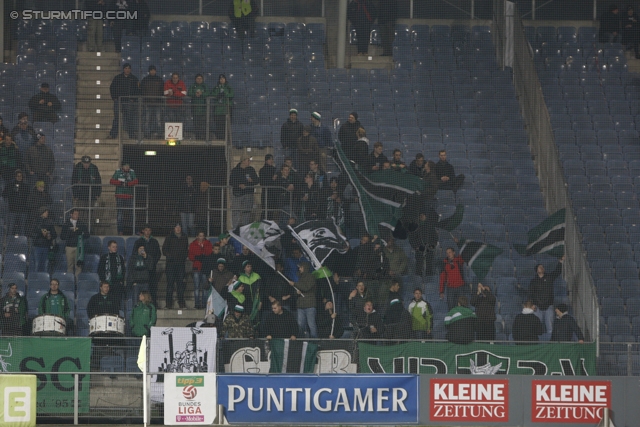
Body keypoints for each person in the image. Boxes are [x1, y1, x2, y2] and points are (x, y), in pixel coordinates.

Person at [529, 256, 564, 336]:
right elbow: (530, 293)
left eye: (542, 267)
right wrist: (532, 304)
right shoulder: (533, 281)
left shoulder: (549, 277)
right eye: (540, 267)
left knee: (550, 329)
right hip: (537, 308)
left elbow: (557, 272)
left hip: (548, 307)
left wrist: (560, 262)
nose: (542, 268)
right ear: (536, 270)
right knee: (536, 328)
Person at [132, 224, 162, 306]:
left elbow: (158, 254)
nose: (147, 232)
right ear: (143, 231)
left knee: (152, 288)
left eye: (149, 230)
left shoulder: (154, 241)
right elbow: (134, 254)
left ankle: (153, 304)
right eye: (146, 230)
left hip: (151, 269)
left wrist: (151, 262)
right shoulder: (138, 242)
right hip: (141, 271)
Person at [108, 63, 140, 139]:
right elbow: (112, 87)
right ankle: (113, 134)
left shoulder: (134, 78)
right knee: (117, 118)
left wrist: (133, 99)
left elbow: (138, 90)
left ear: (130, 69)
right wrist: (114, 98)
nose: (127, 70)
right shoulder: (117, 78)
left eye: (129, 68)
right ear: (123, 69)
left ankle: (131, 135)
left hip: (128, 102)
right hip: (118, 101)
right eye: (126, 68)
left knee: (129, 118)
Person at [287, 261, 317, 338]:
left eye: (300, 267)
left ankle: (315, 341)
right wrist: (296, 293)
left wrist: (295, 284)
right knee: (300, 325)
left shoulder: (311, 277)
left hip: (309, 305)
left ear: (305, 267)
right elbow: (298, 289)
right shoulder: (300, 278)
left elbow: (306, 287)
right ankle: (302, 340)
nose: (299, 269)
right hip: (300, 306)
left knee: (311, 325)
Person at [163, 223, 189, 309]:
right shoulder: (169, 237)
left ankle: (181, 302)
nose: (178, 229)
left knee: (180, 285)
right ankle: (168, 303)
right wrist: (170, 256)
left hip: (180, 265)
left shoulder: (184, 237)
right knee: (170, 285)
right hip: (171, 265)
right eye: (176, 227)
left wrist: (183, 257)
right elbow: (164, 249)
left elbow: (186, 250)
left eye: (179, 227)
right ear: (174, 228)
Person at [229, 155, 258, 228]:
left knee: (247, 212)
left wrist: (252, 180)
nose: (249, 162)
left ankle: (245, 228)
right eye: (248, 160)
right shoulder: (235, 170)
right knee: (236, 211)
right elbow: (231, 182)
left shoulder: (251, 169)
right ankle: (235, 228)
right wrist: (239, 185)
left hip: (248, 193)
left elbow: (257, 180)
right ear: (243, 161)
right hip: (237, 194)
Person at [110, 162, 139, 235]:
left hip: (129, 196)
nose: (127, 167)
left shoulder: (132, 172)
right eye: (125, 166)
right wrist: (120, 183)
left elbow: (136, 181)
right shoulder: (118, 171)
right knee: (120, 214)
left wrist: (128, 184)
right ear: (122, 166)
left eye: (128, 166)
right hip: (120, 196)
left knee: (132, 213)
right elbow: (111, 181)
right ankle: (120, 231)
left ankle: (135, 231)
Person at [60, 208, 89, 276]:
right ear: (71, 214)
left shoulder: (81, 224)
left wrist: (80, 233)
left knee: (78, 266)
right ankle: (70, 282)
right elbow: (62, 237)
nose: (77, 215)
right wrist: (70, 233)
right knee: (70, 266)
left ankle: (77, 282)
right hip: (69, 247)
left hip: (79, 248)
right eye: (75, 214)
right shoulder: (66, 224)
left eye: (78, 214)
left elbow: (87, 235)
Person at [188, 231, 214, 310]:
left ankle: (204, 304)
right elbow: (190, 255)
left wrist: (203, 255)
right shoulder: (193, 244)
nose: (201, 237)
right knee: (196, 287)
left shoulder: (208, 244)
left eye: (202, 236)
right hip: (196, 268)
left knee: (205, 287)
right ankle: (197, 304)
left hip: (205, 268)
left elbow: (209, 253)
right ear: (197, 236)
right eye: (200, 236)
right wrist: (197, 257)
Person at [139, 65, 164, 138]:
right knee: (147, 120)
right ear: (149, 71)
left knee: (158, 120)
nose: (152, 71)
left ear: (155, 71)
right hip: (148, 103)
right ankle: (147, 134)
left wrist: (160, 100)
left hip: (157, 103)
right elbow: (142, 91)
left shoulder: (159, 80)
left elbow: (162, 91)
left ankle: (159, 134)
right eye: (151, 70)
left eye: (154, 70)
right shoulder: (145, 80)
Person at [3, 169, 29, 237]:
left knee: (22, 229)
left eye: (21, 176)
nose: (19, 177)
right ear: (15, 176)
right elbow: (4, 194)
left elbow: (28, 198)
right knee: (10, 228)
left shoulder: (26, 186)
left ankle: (22, 245)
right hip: (12, 210)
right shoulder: (10, 185)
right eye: (18, 176)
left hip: (23, 211)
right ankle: (9, 244)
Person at [31, 206, 56, 273]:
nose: (47, 213)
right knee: (37, 264)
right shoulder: (36, 221)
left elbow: (54, 234)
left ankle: (45, 280)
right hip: (37, 246)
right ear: (42, 212)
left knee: (45, 265)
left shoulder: (50, 222)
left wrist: (49, 235)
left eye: (47, 212)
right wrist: (41, 233)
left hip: (46, 246)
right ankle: (36, 280)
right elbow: (32, 233)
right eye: (45, 212)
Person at [211, 74, 234, 140]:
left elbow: (232, 94)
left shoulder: (228, 87)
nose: (222, 80)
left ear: (225, 79)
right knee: (218, 125)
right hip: (218, 110)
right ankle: (219, 138)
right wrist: (218, 95)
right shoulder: (216, 87)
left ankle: (225, 139)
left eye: (223, 78)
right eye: (220, 79)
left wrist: (225, 94)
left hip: (226, 110)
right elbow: (212, 94)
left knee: (225, 125)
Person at [188, 74, 209, 140]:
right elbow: (189, 93)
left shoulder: (205, 86)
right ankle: (197, 137)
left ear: (202, 79)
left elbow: (208, 93)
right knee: (196, 125)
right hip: (195, 109)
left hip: (203, 109)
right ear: (195, 79)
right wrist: (195, 94)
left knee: (202, 125)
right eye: (198, 78)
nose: (199, 80)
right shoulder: (193, 86)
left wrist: (201, 94)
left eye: (200, 78)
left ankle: (203, 137)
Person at [259, 154, 278, 218]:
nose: (271, 161)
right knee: (265, 211)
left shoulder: (274, 169)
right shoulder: (262, 170)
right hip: (266, 193)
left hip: (273, 194)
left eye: (272, 159)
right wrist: (271, 179)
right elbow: (262, 182)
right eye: (270, 159)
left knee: (271, 212)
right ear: (266, 160)